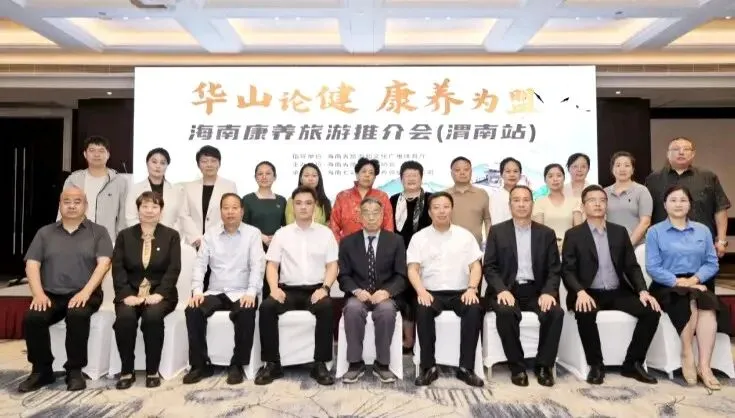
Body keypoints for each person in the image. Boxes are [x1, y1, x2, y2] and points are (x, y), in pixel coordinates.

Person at [562, 185, 661, 385]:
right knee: (585, 312)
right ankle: (596, 365)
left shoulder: (619, 232)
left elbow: (632, 266)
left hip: (617, 291)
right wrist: (579, 292)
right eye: (592, 200)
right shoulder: (573, 234)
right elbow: (567, 270)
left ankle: (632, 364)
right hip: (588, 292)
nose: (598, 204)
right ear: (584, 206)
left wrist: (642, 291)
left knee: (651, 311)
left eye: (602, 200)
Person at [19, 186, 113, 392]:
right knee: (33, 318)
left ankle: (74, 370)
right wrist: (38, 294)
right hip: (50, 293)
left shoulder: (99, 232)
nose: (72, 206)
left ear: (85, 205)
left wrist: (85, 292)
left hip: (85, 292)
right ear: (60, 205)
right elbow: (32, 264)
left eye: (77, 202)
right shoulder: (45, 233)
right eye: (67, 201)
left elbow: (104, 264)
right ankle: (41, 370)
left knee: (77, 314)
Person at [645, 185, 731, 390]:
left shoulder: (703, 230)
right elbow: (653, 267)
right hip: (666, 284)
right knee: (688, 299)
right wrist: (677, 282)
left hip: (696, 281)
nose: (678, 204)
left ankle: (705, 366)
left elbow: (712, 263)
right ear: (664, 205)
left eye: (683, 200)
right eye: (673, 200)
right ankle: (687, 353)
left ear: (690, 205)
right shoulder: (655, 231)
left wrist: (694, 280)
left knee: (707, 304)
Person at [255, 186, 339, 386]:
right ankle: (272, 364)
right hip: (288, 291)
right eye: (299, 203)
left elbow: (332, 266)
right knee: (267, 307)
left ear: (315, 206)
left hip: (316, 290)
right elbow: (272, 265)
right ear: (293, 206)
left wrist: (325, 288)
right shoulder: (282, 233)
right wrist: (274, 289)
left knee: (327, 306)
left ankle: (320, 365)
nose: (303, 207)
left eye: (308, 203)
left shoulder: (326, 234)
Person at [483, 185, 563, 387]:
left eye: (526, 200)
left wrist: (549, 292)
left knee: (555, 312)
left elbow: (554, 269)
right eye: (516, 200)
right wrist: (502, 290)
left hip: (537, 291)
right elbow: (490, 267)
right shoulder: (497, 231)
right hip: (507, 289)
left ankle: (543, 366)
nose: (521, 204)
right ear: (510, 205)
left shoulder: (546, 233)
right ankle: (517, 367)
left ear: (532, 204)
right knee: (506, 312)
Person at [182, 193, 264, 385]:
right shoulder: (210, 234)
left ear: (242, 211)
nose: (230, 212)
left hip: (242, 291)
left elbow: (257, 265)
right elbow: (200, 265)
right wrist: (197, 291)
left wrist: (251, 292)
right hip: (215, 291)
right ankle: (200, 365)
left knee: (246, 311)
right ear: (220, 212)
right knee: (193, 310)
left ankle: (237, 365)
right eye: (226, 208)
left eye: (235, 207)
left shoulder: (253, 234)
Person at [407, 192, 484, 387]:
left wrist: (472, 288)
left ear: (452, 209)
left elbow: (475, 266)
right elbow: (413, 269)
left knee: (474, 309)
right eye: (436, 207)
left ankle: (466, 368)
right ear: (430, 212)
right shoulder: (419, 238)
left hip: (461, 292)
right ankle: (428, 368)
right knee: (422, 309)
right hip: (431, 293)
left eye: (445, 207)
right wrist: (421, 291)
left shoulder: (465, 236)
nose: (441, 211)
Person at [112, 191, 181, 389]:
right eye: (145, 206)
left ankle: (152, 370)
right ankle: (127, 370)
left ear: (161, 211)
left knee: (152, 317)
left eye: (154, 206)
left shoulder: (171, 236)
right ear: (138, 209)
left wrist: (160, 294)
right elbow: (118, 269)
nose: (149, 211)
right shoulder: (125, 236)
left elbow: (173, 269)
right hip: (130, 293)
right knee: (125, 319)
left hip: (161, 294)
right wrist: (126, 295)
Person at [338, 197, 407, 383]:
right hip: (358, 295)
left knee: (386, 310)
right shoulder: (347, 242)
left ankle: (382, 364)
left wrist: (386, 292)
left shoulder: (396, 241)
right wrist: (356, 291)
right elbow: (343, 276)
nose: (371, 217)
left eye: (375, 213)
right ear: (359, 217)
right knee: (352, 309)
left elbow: (401, 275)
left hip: (384, 295)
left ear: (383, 216)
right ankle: (355, 363)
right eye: (366, 213)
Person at [646, 136, 731, 258]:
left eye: (686, 149)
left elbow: (720, 208)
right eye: (676, 149)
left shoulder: (708, 177)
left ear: (693, 154)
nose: (681, 152)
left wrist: (721, 241)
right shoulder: (653, 179)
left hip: (701, 244)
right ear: (668, 154)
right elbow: (645, 213)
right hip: (663, 246)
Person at [389, 160, 432, 353]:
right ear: (401, 179)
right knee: (402, 297)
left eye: (415, 175)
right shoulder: (392, 200)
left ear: (421, 178)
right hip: (398, 257)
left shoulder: (430, 199)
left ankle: (420, 341)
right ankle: (407, 340)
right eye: (407, 175)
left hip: (425, 257)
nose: (412, 179)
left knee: (419, 296)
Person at [62, 135, 127, 242]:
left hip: (106, 240)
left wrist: (121, 242)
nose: (97, 154)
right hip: (76, 239)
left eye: (101, 151)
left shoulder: (119, 182)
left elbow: (123, 216)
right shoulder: (73, 180)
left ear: (108, 155)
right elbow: (63, 210)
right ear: (85, 154)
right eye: (92, 150)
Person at [241, 161, 286, 298]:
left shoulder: (282, 200)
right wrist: (262, 237)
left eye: (268, 173)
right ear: (255, 177)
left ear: (274, 177)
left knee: (272, 285)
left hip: (276, 248)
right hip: (254, 246)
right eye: (260, 174)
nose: (264, 177)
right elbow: (243, 225)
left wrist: (275, 238)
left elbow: (285, 226)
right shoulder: (247, 199)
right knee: (253, 283)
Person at [180, 145, 238, 249]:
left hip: (221, 241)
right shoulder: (189, 187)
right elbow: (184, 214)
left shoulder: (229, 186)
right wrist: (196, 238)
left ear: (219, 164)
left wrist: (213, 237)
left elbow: (231, 213)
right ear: (198, 165)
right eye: (204, 161)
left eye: (213, 161)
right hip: (195, 243)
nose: (209, 164)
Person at [330, 157, 393, 243]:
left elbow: (388, 226)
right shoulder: (342, 196)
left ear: (374, 177)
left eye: (371, 173)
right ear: (357, 174)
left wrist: (385, 247)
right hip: (347, 247)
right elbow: (334, 226)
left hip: (376, 247)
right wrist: (341, 247)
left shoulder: (382, 197)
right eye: (364, 171)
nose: (367, 175)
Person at [125, 148, 185, 232]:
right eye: (154, 162)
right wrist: (146, 234)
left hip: (169, 236)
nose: (158, 166)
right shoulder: (135, 189)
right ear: (147, 164)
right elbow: (131, 218)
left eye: (162, 163)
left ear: (167, 166)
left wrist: (170, 235)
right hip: (142, 237)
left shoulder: (177, 190)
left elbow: (181, 218)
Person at [604, 151, 653, 247]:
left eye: (627, 165)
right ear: (612, 169)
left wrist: (628, 245)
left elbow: (645, 222)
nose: (622, 169)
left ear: (632, 170)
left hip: (636, 246)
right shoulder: (604, 192)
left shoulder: (641, 190)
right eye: (618, 165)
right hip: (610, 246)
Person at [533, 163, 583, 250]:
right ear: (545, 180)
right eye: (550, 176)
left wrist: (567, 245)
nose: (555, 179)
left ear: (564, 178)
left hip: (570, 248)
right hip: (547, 249)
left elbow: (579, 230)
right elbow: (539, 232)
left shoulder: (575, 202)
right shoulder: (539, 202)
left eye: (559, 176)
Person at [445, 156, 491, 247]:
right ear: (451, 173)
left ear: (471, 172)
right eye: (457, 170)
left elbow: (488, 220)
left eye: (466, 169)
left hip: (475, 248)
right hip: (449, 248)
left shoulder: (482, 194)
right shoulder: (444, 195)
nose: (462, 173)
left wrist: (490, 244)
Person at [489, 157, 523, 226]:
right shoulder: (496, 197)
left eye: (515, 171)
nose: (512, 175)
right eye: (508, 171)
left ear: (520, 175)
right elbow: (496, 224)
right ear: (501, 174)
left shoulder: (524, 195)